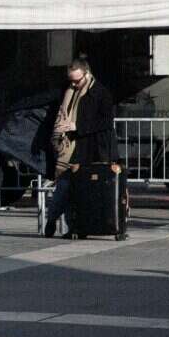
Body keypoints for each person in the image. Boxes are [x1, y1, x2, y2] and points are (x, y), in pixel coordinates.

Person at [44, 57, 117, 237]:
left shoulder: (101, 93)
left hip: (92, 148)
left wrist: (77, 126)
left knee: (81, 190)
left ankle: (76, 227)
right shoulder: (68, 91)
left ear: (87, 74)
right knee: (66, 188)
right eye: (71, 80)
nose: (74, 84)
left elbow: (107, 121)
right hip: (70, 148)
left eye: (77, 80)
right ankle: (56, 221)